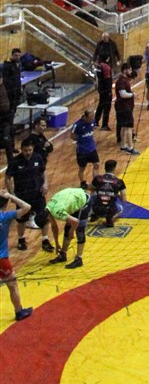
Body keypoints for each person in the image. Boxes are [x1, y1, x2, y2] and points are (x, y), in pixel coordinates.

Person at [7, 136, 53, 252]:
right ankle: (21, 239)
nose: (28, 152)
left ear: (33, 148)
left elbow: (43, 172)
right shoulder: (15, 161)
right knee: (22, 220)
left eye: (30, 150)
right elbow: (7, 178)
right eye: (25, 150)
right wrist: (12, 194)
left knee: (44, 217)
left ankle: (45, 240)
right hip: (22, 196)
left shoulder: (38, 157)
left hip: (38, 194)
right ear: (21, 149)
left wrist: (45, 184)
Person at [38, 186, 92, 269]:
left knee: (79, 231)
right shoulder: (47, 209)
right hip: (73, 199)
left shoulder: (57, 212)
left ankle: (79, 259)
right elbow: (54, 226)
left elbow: (76, 222)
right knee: (67, 228)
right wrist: (57, 244)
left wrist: (72, 231)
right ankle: (63, 254)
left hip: (83, 200)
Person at [0, 190, 34, 321]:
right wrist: (10, 196)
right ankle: (19, 311)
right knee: (12, 285)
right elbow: (27, 207)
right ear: (6, 204)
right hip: (1, 259)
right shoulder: (5, 216)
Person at [89, 159, 127, 227]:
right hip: (110, 209)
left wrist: (100, 190)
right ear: (114, 168)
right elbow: (124, 200)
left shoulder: (98, 178)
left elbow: (89, 188)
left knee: (93, 190)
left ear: (104, 168)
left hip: (97, 208)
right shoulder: (119, 181)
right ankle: (110, 218)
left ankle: (93, 214)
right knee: (120, 208)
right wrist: (116, 195)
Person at [70, 108, 100, 186]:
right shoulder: (77, 125)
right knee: (82, 168)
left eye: (93, 116)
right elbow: (72, 136)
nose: (92, 119)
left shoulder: (93, 121)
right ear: (85, 117)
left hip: (92, 149)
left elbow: (92, 129)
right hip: (82, 151)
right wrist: (81, 139)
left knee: (97, 165)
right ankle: (83, 183)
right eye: (90, 118)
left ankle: (95, 182)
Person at [114, 65, 139, 155]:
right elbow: (123, 94)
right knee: (128, 127)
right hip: (124, 107)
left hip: (124, 106)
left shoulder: (124, 79)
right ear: (125, 70)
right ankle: (130, 147)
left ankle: (123, 146)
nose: (130, 71)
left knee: (124, 127)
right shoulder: (121, 81)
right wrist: (132, 95)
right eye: (129, 70)